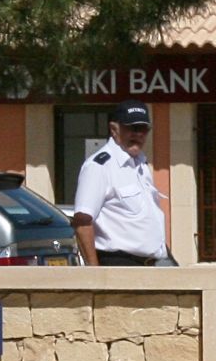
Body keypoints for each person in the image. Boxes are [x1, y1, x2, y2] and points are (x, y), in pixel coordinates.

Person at [72, 100, 171, 266]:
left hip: (150, 265)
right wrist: (95, 273)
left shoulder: (141, 165)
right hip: (119, 264)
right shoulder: (99, 166)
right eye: (132, 128)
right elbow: (82, 222)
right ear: (114, 129)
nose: (138, 134)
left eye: (143, 129)